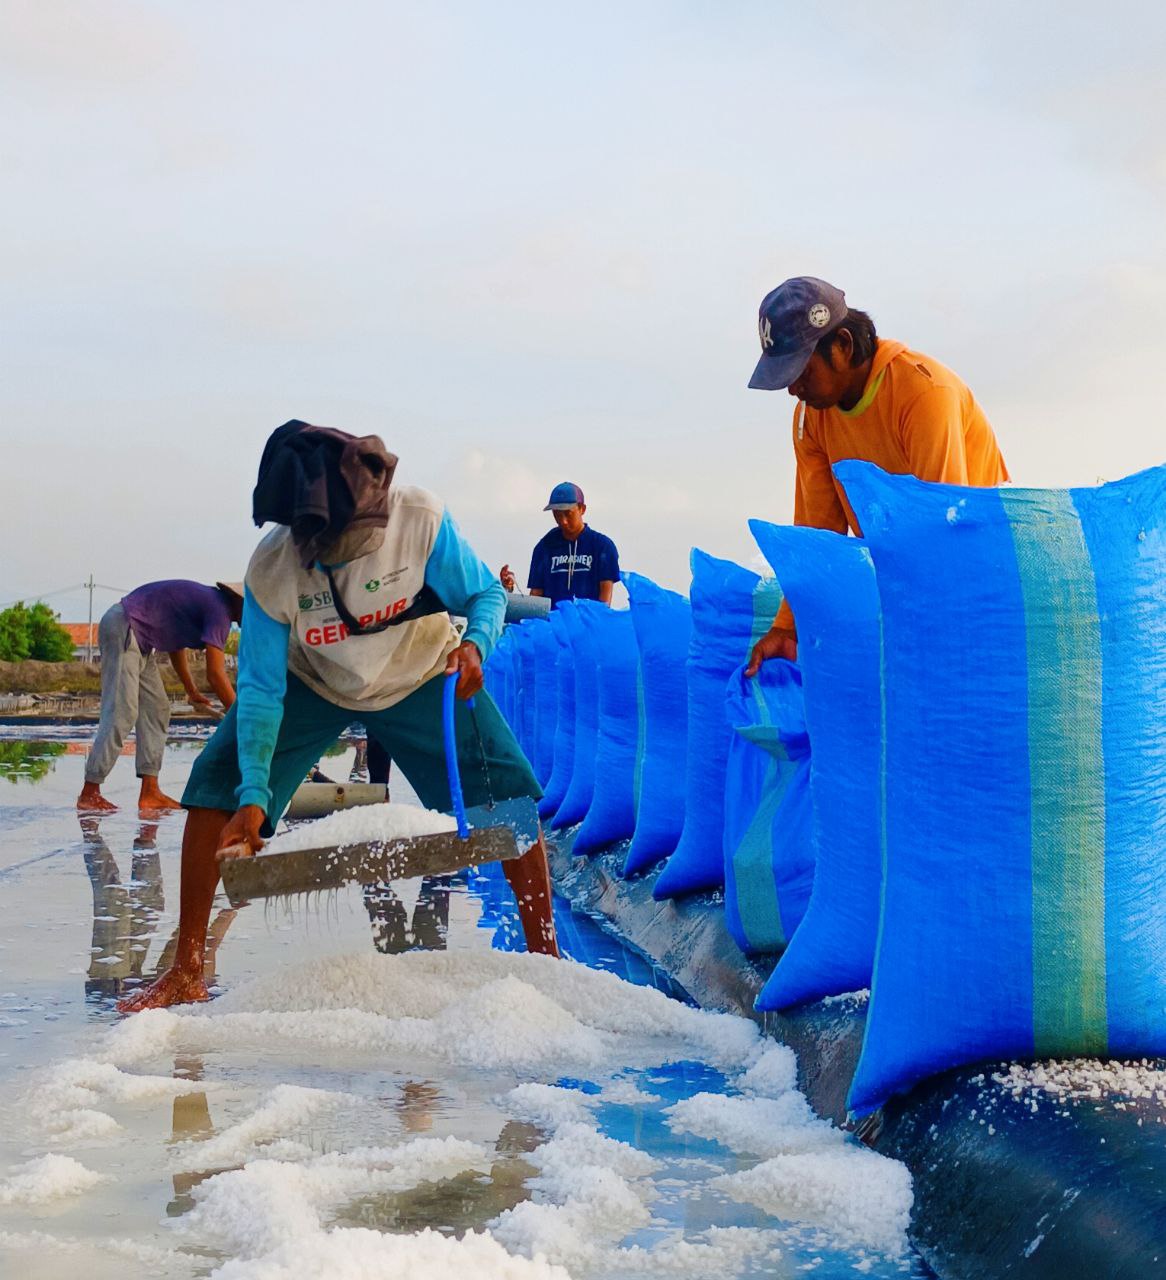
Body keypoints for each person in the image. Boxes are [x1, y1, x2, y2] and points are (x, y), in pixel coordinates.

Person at [119, 420, 558, 1013]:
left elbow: (485, 595)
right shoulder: (274, 568)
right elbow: (259, 690)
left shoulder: (421, 520)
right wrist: (253, 792)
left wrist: (475, 644)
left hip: (421, 672)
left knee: (506, 790)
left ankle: (547, 962)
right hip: (314, 679)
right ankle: (186, 967)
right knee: (213, 786)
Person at [744, 277, 1009, 675]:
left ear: (844, 346)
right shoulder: (811, 419)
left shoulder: (922, 393)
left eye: (801, 370)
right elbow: (819, 534)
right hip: (906, 585)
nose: (793, 388)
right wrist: (788, 627)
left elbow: (944, 528)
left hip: (976, 577)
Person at [77, 580, 243, 813]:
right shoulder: (220, 611)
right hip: (125, 626)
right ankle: (89, 792)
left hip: (141, 641)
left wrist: (191, 690)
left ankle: (150, 791)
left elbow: (177, 645)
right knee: (122, 712)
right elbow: (215, 674)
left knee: (157, 709)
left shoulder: (209, 605)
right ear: (240, 602)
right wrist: (242, 717)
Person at [499, 482, 620, 605]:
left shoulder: (603, 547)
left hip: (588, 622)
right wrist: (508, 589)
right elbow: (536, 597)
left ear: (582, 509)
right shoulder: (544, 547)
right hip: (552, 622)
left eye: (568, 513)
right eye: (557, 515)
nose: (563, 521)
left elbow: (605, 603)